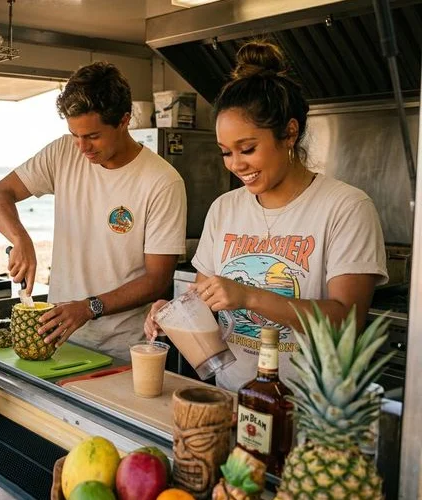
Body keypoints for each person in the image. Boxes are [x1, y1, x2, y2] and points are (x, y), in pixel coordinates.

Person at [145, 41, 388, 391]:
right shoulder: (224, 209)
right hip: (232, 395)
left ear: (289, 133)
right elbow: (203, 299)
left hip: (307, 409)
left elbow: (346, 320)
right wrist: (174, 313)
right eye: (226, 152)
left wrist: (249, 296)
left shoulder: (345, 207)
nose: (235, 164)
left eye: (247, 149)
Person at [0, 62, 187, 360]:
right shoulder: (62, 152)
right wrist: (21, 239)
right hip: (56, 342)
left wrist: (88, 308)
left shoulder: (162, 181)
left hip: (122, 350)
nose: (81, 147)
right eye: (74, 134)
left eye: (92, 136)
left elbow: (157, 279)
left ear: (124, 121)